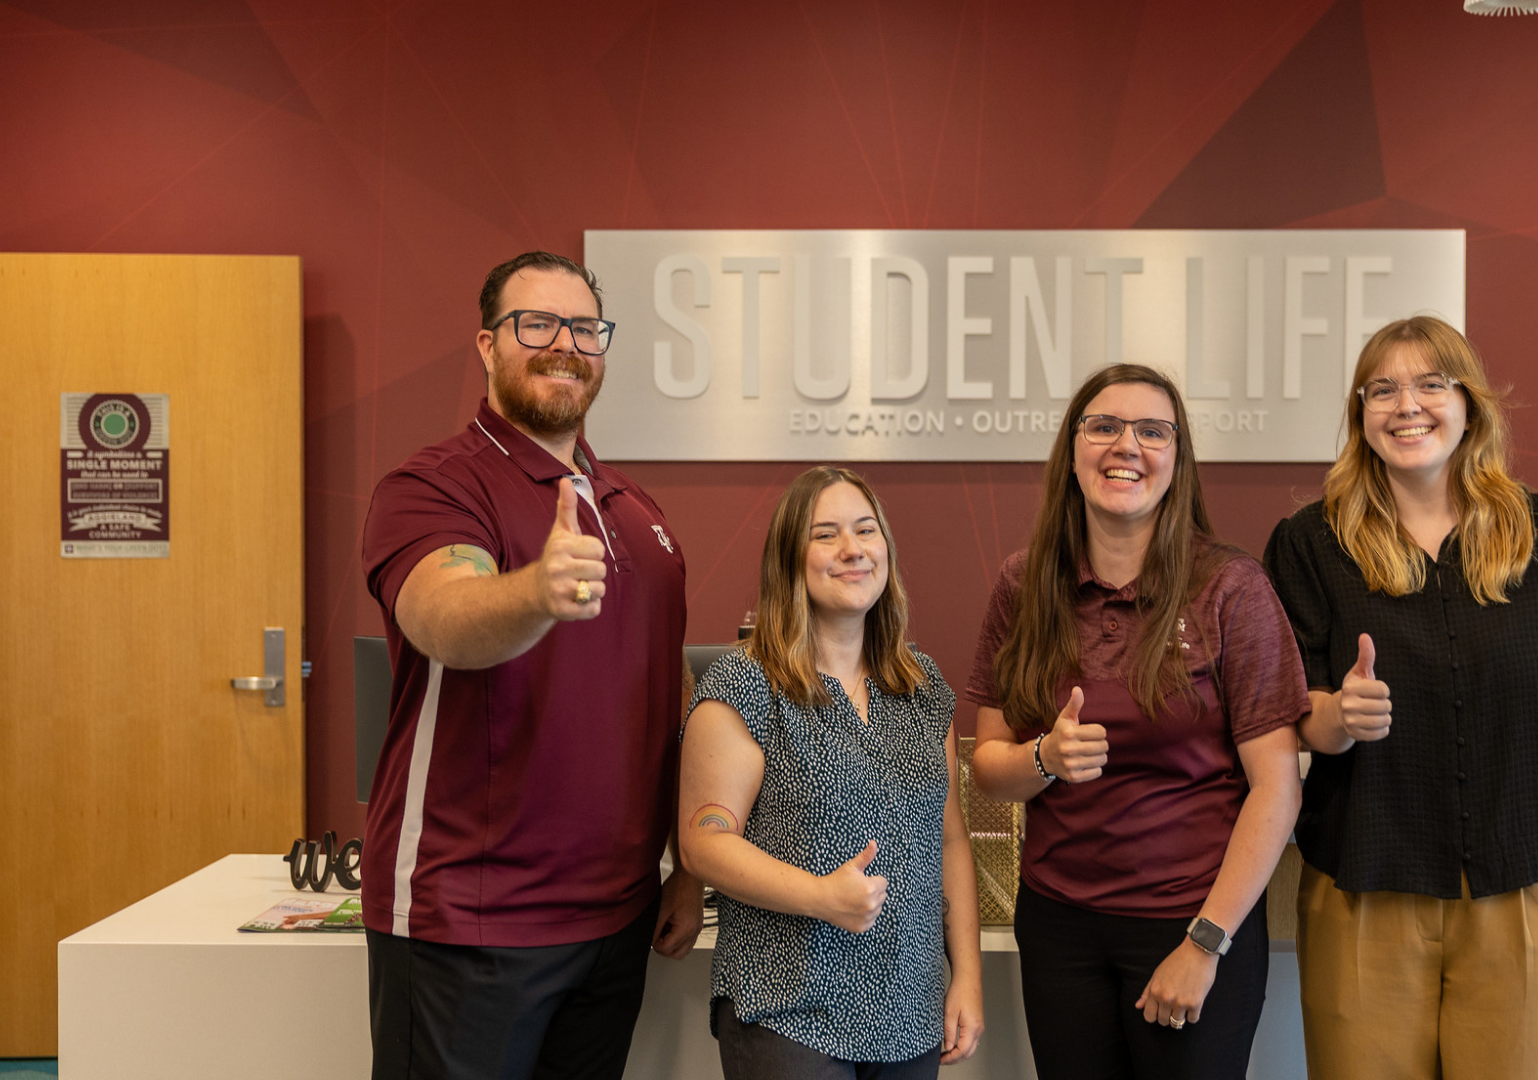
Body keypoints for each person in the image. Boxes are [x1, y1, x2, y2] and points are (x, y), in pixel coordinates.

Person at [1262, 315, 1538, 1080]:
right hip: (1363, 885)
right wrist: (1339, 719)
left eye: (1429, 384)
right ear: (1360, 416)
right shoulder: (1311, 543)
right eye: (1381, 389)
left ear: (1470, 404)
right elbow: (1294, 711)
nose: (1405, 405)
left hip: (1526, 882)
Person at [359, 251, 702, 1080]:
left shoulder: (636, 510)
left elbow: (669, 697)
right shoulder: (434, 487)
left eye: (585, 327)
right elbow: (445, 617)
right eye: (535, 324)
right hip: (470, 923)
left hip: (617, 921)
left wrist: (687, 867)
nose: (564, 345)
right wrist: (536, 596)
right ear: (486, 345)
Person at [967, 364, 1308, 1079]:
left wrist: (1204, 943)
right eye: (1104, 426)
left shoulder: (1231, 588)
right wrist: (1045, 759)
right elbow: (989, 765)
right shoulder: (1022, 584)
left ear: (1177, 460)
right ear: (1073, 449)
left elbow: (1276, 789)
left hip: (1189, 921)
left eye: (1153, 431)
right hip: (1059, 926)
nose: (1127, 446)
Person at [678, 465, 984, 1079]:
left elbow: (949, 841)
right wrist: (820, 896)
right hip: (789, 1012)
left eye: (865, 531)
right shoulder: (745, 683)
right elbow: (704, 841)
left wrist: (968, 978)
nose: (852, 549)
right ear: (790, 560)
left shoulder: (923, 689)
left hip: (910, 1012)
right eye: (826, 535)